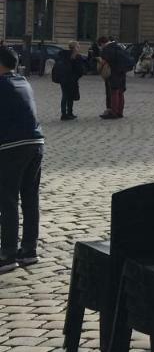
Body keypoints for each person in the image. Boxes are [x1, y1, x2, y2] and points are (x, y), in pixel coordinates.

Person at [0, 45, 43, 271]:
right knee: (30, 198)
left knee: (7, 200)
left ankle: (7, 254)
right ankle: (29, 250)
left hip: (12, 147)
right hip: (36, 143)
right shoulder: (23, 81)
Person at [52, 41, 85, 120]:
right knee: (70, 96)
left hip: (63, 79)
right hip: (72, 79)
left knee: (65, 95)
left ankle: (64, 114)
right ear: (75, 47)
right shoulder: (77, 56)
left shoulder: (63, 55)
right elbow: (80, 69)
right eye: (78, 46)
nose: (79, 48)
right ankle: (69, 112)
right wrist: (78, 75)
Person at [100, 37, 130, 119]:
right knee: (121, 92)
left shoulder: (107, 49)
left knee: (114, 92)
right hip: (122, 72)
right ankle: (120, 112)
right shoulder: (119, 46)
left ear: (102, 43)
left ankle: (113, 112)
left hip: (113, 73)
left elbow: (104, 62)